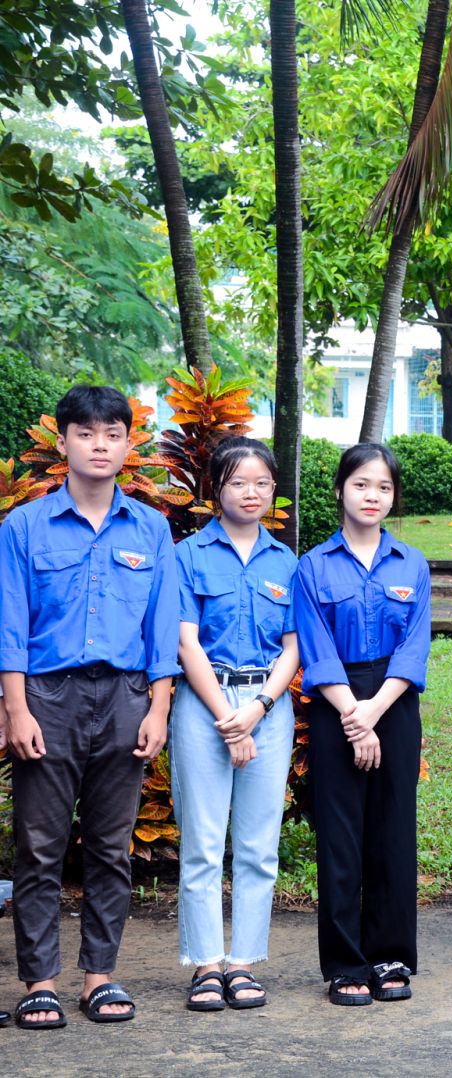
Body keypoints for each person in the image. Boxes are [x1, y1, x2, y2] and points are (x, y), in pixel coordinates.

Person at [0, 385, 180, 1028]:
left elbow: (164, 628)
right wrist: (16, 709)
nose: (99, 445)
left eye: (112, 434)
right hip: (47, 697)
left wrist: (159, 708)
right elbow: (10, 623)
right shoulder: (23, 526)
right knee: (41, 847)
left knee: (110, 847)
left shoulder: (152, 527)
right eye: (86, 433)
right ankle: (40, 981)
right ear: (64, 442)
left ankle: (99, 976)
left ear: (128, 445)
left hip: (128, 698)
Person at [293, 443, 431, 1007]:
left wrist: (373, 713)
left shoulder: (412, 564)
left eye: (383, 488)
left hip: (394, 705)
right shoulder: (312, 566)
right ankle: (347, 962)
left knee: (393, 831)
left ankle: (390, 953)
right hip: (335, 702)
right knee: (341, 835)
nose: (372, 496)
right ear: (339, 491)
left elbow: (414, 647)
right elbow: (316, 646)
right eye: (361, 485)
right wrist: (353, 713)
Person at [170, 437, 300, 1012]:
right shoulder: (189, 555)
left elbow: (295, 648)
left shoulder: (287, 563)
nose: (252, 492)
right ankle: (205, 962)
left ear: (274, 491)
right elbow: (185, 641)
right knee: (201, 842)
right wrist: (228, 717)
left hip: (266, 707)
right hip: (205, 706)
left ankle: (243, 962)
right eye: (238, 482)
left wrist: (259, 710)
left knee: (257, 845)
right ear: (216, 490)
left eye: (262, 483)